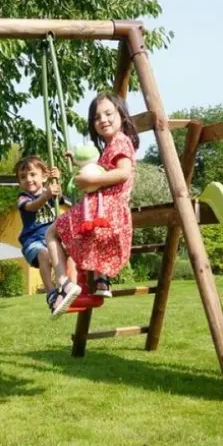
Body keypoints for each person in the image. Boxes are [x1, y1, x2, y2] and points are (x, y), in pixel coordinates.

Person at [44, 93, 139, 316]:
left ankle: (64, 283)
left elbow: (123, 172)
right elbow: (97, 167)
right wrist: (78, 161)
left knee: (51, 233)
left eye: (108, 114)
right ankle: (100, 281)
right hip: (106, 212)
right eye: (97, 117)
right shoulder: (111, 146)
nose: (103, 120)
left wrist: (91, 180)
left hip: (104, 211)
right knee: (80, 239)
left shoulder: (120, 141)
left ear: (122, 115)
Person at [14, 155, 69, 313]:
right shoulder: (23, 198)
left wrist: (57, 181)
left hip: (52, 239)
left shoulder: (49, 192)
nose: (28, 179)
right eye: (23, 177)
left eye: (33, 174)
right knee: (44, 254)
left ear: (44, 177)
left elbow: (60, 198)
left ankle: (66, 286)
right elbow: (32, 207)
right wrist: (46, 196)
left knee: (70, 251)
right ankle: (51, 292)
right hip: (33, 241)